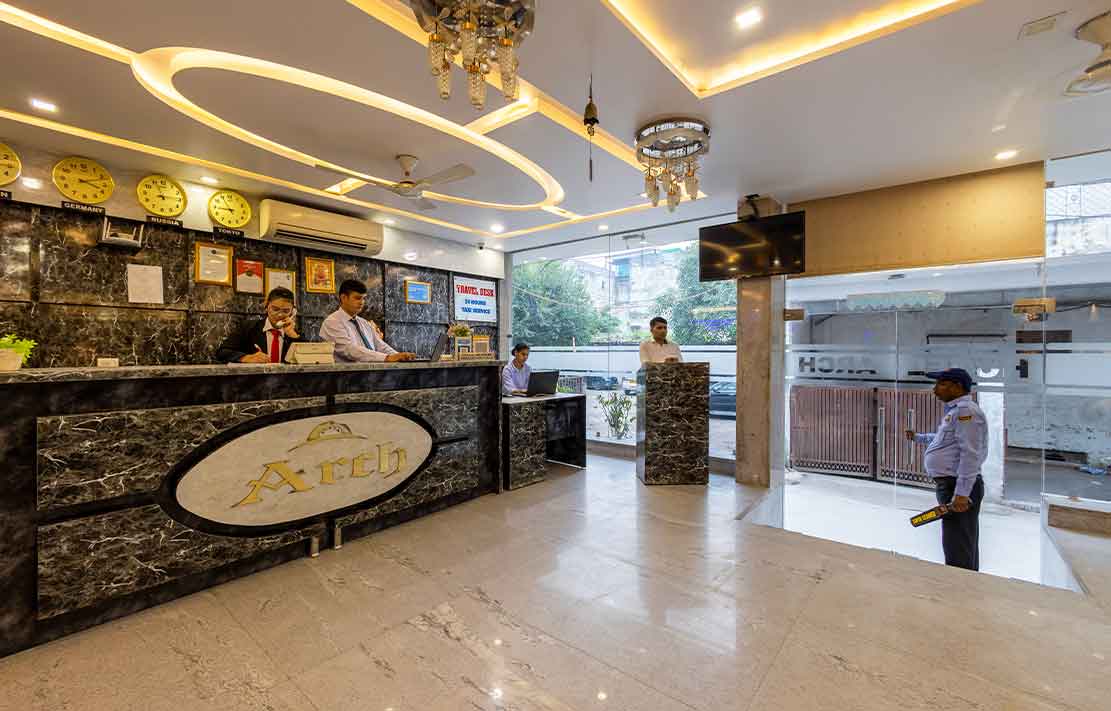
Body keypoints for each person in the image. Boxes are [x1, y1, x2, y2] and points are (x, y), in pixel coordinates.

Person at [905, 368, 988, 571]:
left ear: (957, 386)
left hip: (957, 487)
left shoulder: (965, 412)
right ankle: (964, 583)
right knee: (958, 542)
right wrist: (919, 438)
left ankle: (961, 587)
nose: (935, 389)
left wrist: (962, 494)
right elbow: (946, 440)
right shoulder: (956, 412)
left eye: (941, 384)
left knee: (958, 547)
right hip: (952, 486)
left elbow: (970, 455)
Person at [318, 279, 415, 362]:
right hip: (346, 376)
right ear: (343, 298)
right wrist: (387, 358)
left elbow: (380, 346)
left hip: (372, 373)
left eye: (363, 298)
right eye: (357, 298)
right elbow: (349, 350)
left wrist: (400, 356)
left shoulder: (364, 323)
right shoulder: (332, 322)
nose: (362, 302)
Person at [216, 287, 304, 364]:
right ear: (266, 306)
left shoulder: (295, 333)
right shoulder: (248, 327)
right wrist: (246, 358)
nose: (280, 314)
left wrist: (293, 336)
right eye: (275, 309)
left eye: (286, 311)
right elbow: (222, 352)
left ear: (292, 312)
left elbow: (308, 357)